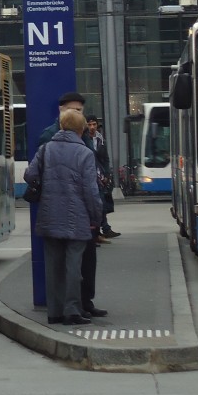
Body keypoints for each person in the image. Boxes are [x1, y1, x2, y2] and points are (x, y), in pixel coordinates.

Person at [25, 108, 105, 326]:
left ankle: (55, 312)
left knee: (52, 265)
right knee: (73, 265)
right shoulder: (85, 154)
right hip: (77, 218)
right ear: (81, 130)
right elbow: (91, 190)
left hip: (50, 215)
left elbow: (29, 174)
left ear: (61, 127)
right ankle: (71, 310)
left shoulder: (45, 149)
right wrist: (96, 218)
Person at [88, 115, 120, 238]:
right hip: (90, 175)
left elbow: (105, 158)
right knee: (98, 203)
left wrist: (106, 173)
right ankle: (101, 230)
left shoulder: (100, 139)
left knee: (101, 202)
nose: (92, 127)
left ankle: (103, 229)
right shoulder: (84, 139)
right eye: (89, 124)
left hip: (100, 176)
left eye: (94, 124)